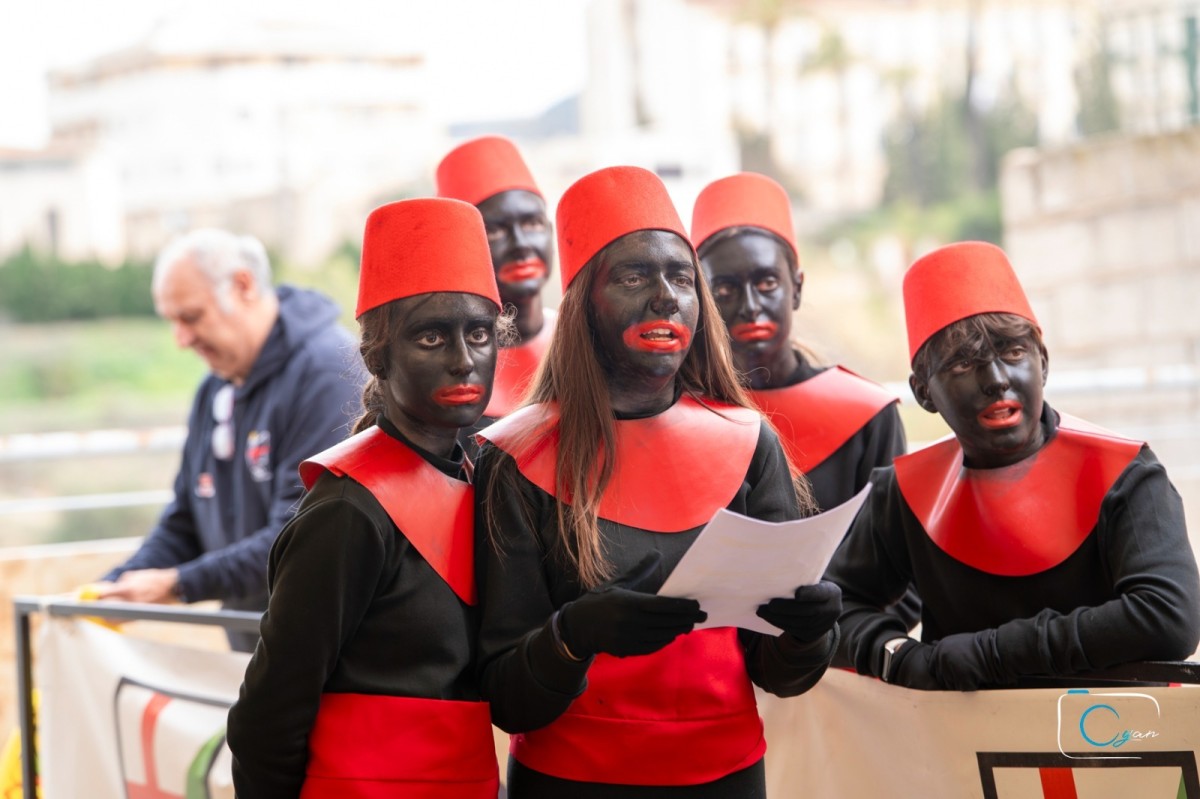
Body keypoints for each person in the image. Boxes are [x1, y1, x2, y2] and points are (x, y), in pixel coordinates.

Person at [474, 166, 842, 798]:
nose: (666, 297)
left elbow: (778, 675)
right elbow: (505, 698)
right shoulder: (515, 458)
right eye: (634, 275)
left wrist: (810, 633)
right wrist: (571, 638)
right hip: (570, 781)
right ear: (584, 301)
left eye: (681, 276)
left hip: (726, 777)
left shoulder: (750, 443)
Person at [826, 240, 1200, 690]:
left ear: (1042, 361)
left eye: (1013, 352)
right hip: (956, 748)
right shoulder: (904, 492)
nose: (996, 379)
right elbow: (837, 607)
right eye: (963, 363)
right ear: (924, 391)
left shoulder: (1124, 472)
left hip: (1114, 741)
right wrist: (894, 654)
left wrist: (991, 654)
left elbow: (1170, 619)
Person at [227, 198, 505, 797]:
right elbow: (264, 720)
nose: (463, 360)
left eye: (479, 333)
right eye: (431, 336)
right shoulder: (347, 513)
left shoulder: (487, 477)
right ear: (376, 355)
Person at [92, 229, 363, 652]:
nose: (180, 339)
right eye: (172, 321)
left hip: (328, 657)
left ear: (242, 286)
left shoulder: (328, 375)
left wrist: (179, 585)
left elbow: (297, 537)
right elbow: (186, 518)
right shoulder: (216, 387)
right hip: (254, 651)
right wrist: (113, 585)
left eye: (191, 317)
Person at [691, 172, 906, 512]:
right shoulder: (684, 419)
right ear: (700, 301)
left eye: (766, 283)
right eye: (725, 289)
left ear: (797, 288)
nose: (750, 306)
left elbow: (893, 552)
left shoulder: (869, 417)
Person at [436, 135, 556, 430]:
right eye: (495, 231)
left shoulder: (585, 343)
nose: (521, 245)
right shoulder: (444, 374)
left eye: (533, 224)